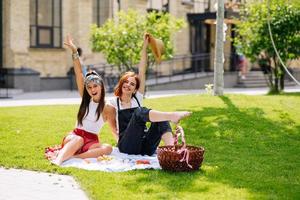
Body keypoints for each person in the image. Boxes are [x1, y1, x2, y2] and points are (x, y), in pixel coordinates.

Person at [109, 34, 191, 156]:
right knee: (139, 112)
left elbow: (142, 70)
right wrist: (119, 141)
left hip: (144, 146)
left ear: (135, 89)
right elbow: (112, 126)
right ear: (121, 84)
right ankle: (172, 115)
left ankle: (174, 152)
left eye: (132, 84)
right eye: (125, 82)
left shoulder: (137, 98)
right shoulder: (113, 103)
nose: (128, 85)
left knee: (161, 119)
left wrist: (145, 47)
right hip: (127, 146)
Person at [48, 35, 117, 165]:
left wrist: (125, 145)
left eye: (95, 86)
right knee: (79, 139)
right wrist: (74, 51)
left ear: (101, 86)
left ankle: (75, 157)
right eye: (89, 87)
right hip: (75, 136)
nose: (92, 90)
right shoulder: (86, 99)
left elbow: (114, 130)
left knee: (108, 148)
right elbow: (79, 73)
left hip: (91, 141)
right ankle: (59, 159)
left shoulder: (109, 108)